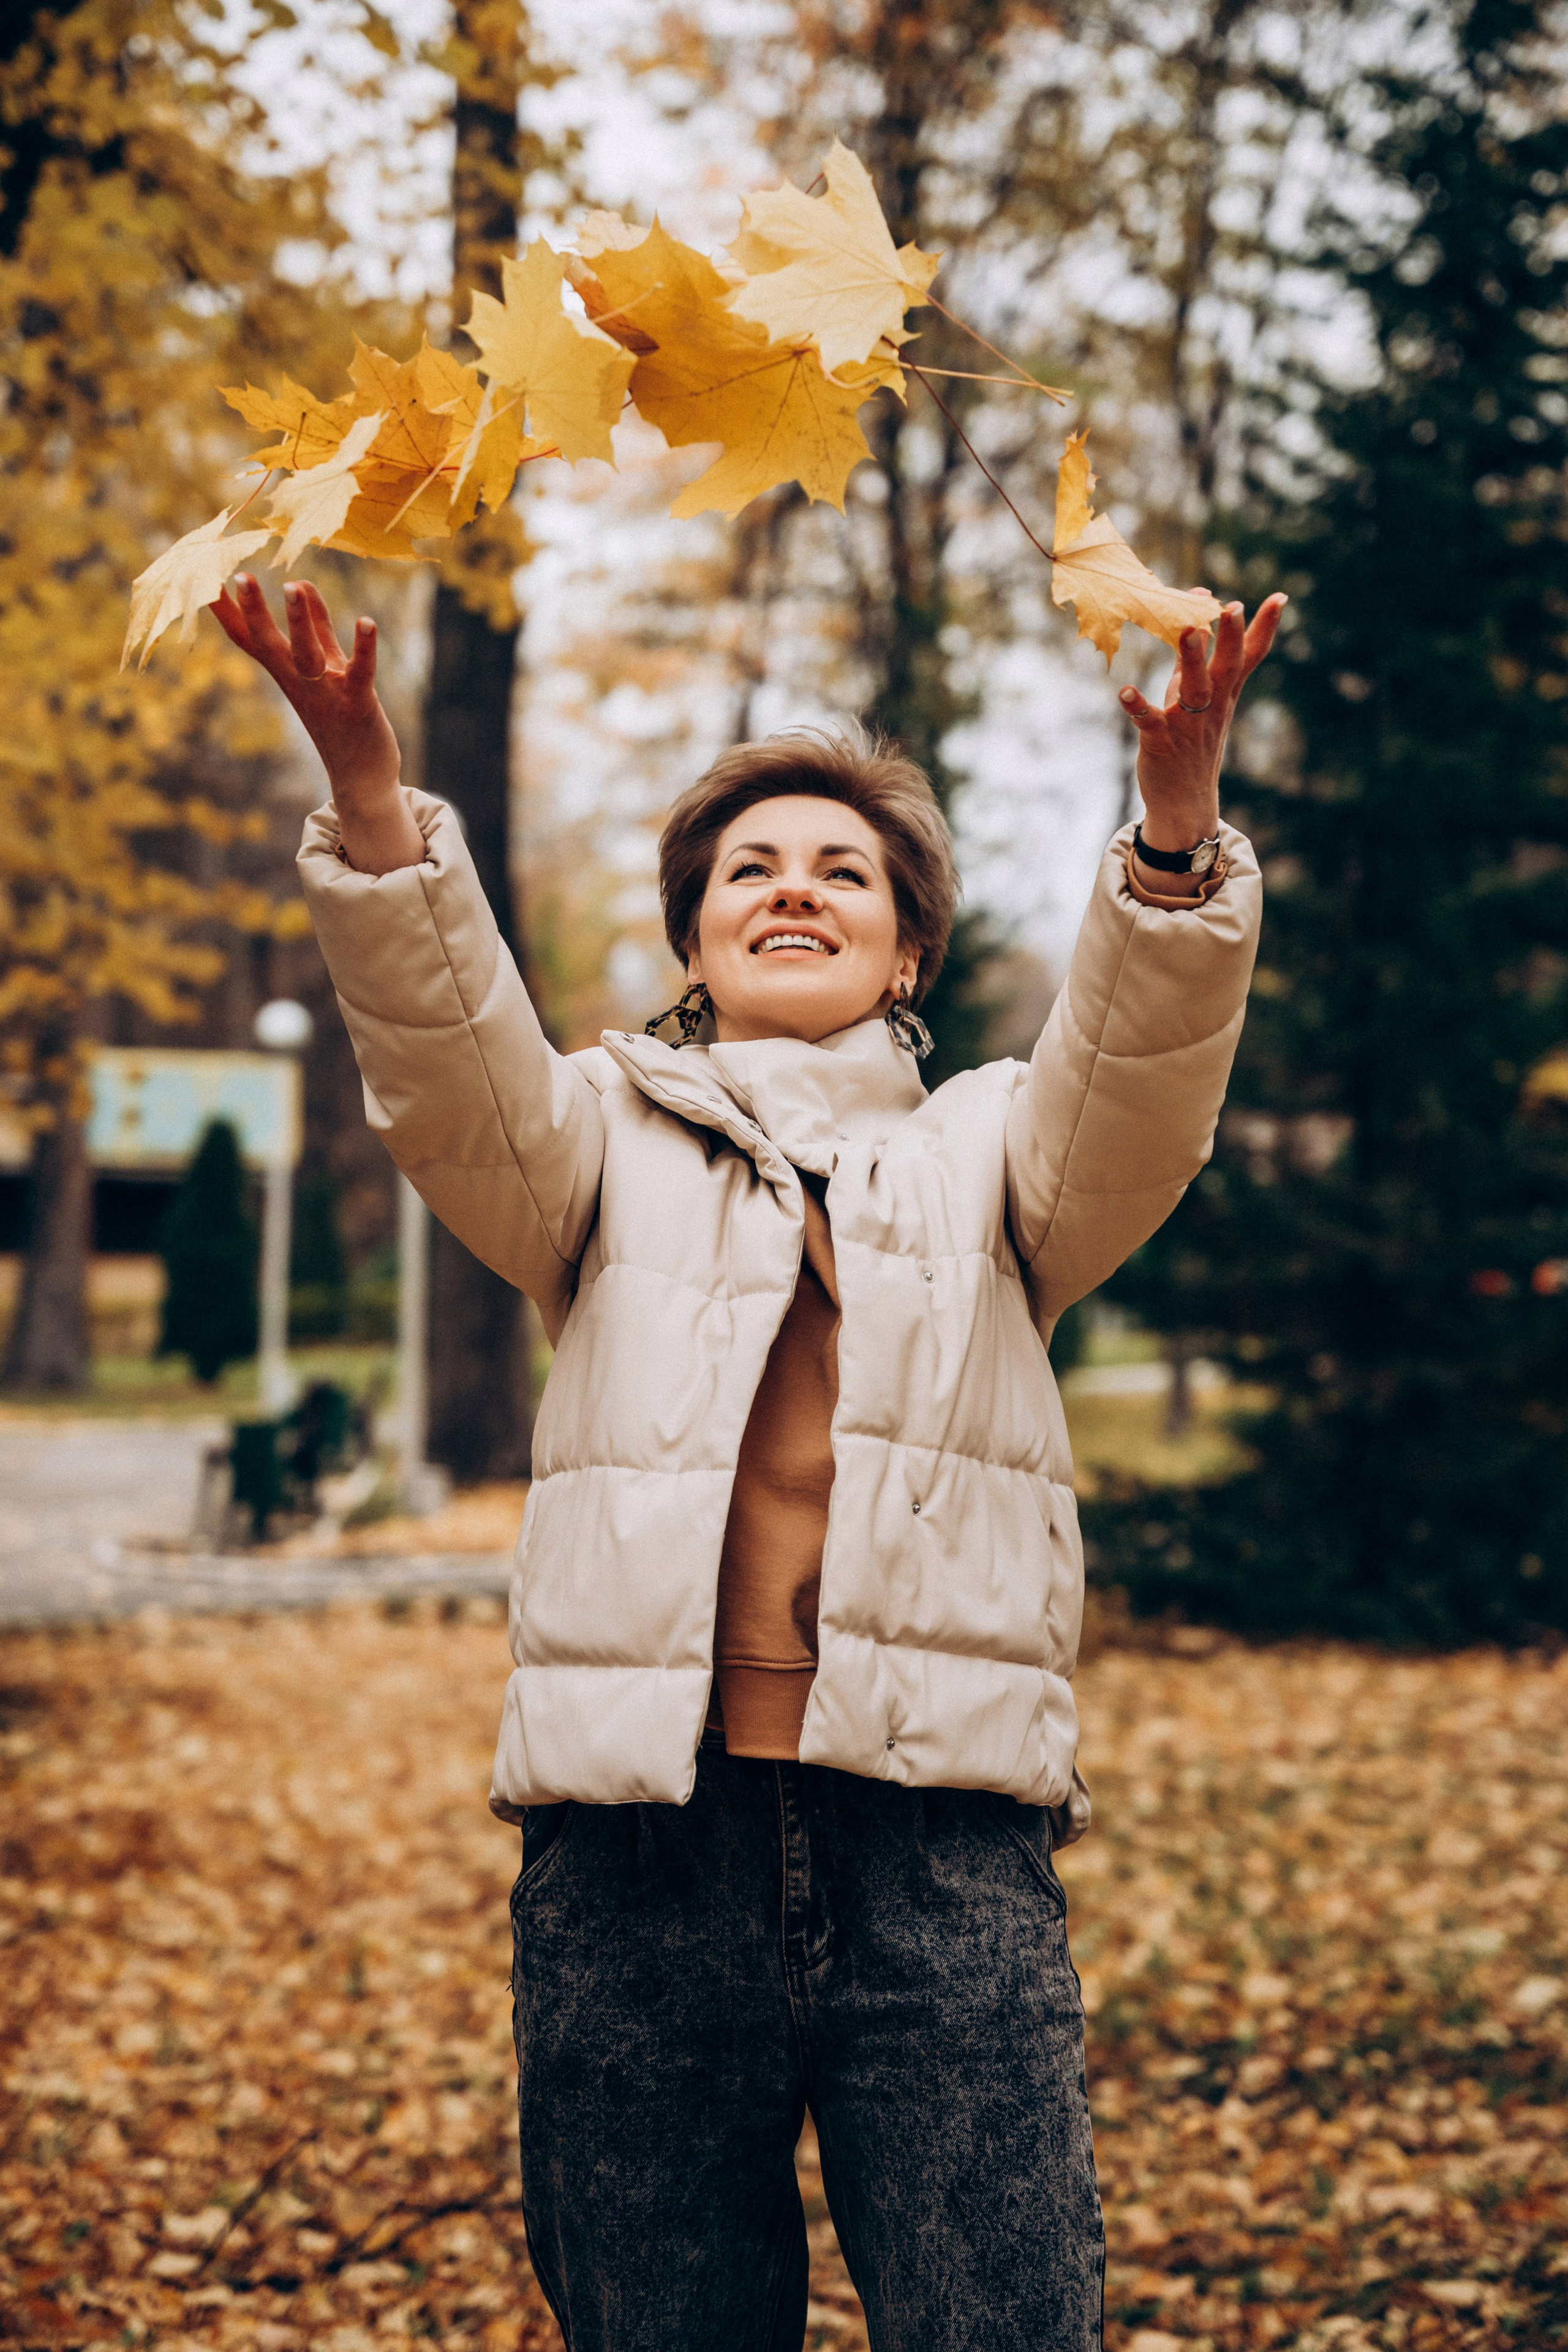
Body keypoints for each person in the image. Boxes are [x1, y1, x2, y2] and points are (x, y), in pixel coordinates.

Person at [214, 567, 1282, 2352]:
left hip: (940, 1846)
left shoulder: (1000, 1154)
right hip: (640, 1854)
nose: (795, 887)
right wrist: (370, 798)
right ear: (697, 946)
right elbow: (447, 1058)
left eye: (842, 870)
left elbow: (1139, 1080)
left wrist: (1174, 826)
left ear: (909, 949)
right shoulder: (590, 1142)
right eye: (750, 873)